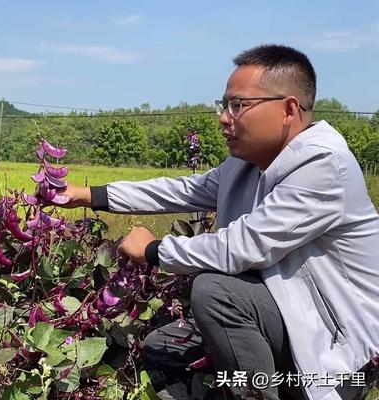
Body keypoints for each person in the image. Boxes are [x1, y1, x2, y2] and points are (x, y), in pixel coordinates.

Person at [57, 44, 379, 400]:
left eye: (239, 105)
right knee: (161, 344)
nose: (224, 117)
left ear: (289, 109)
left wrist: (151, 250)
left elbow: (241, 247)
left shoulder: (323, 164)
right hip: (288, 314)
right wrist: (89, 195)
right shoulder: (248, 163)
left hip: (340, 354)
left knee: (214, 292)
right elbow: (182, 191)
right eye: (224, 105)